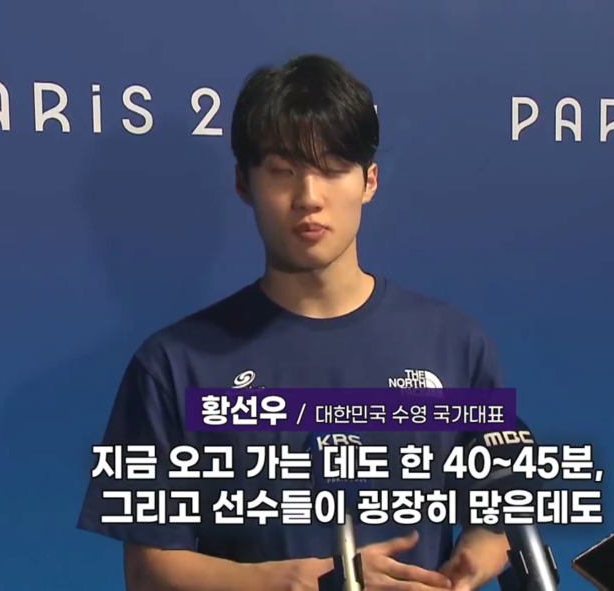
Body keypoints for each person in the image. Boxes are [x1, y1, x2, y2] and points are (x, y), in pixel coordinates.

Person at [76, 53, 509, 591]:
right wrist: (297, 582)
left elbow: (502, 503)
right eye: (283, 172)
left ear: (369, 180)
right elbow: (148, 571)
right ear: (244, 184)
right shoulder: (171, 365)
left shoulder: (455, 344)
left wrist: (473, 557)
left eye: (333, 168)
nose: (309, 198)